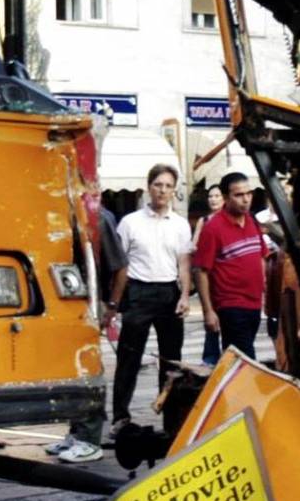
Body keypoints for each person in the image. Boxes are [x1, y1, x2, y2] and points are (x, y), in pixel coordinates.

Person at [106, 164, 191, 439]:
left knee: (171, 363)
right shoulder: (130, 222)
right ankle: (120, 417)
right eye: (158, 185)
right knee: (128, 359)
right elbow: (119, 263)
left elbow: (184, 264)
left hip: (168, 293)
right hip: (138, 292)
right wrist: (114, 302)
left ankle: (170, 418)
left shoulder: (180, 225)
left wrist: (184, 296)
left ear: (173, 190)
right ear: (149, 187)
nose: (162, 191)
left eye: (168, 186)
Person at [44, 201, 129, 464]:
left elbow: (120, 268)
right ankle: (77, 432)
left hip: (89, 305)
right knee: (71, 370)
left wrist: (111, 306)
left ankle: (90, 438)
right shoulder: (58, 215)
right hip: (68, 306)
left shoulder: (97, 219)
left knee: (89, 368)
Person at [192, 171, 269, 361]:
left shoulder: (252, 221)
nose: (246, 200)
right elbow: (201, 271)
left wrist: (264, 291)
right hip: (230, 304)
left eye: (248, 194)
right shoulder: (213, 228)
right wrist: (208, 311)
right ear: (226, 198)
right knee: (246, 362)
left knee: (235, 363)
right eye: (239, 195)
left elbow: (261, 256)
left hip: (254, 304)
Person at [192, 184, 224, 366]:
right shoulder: (204, 221)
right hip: (208, 275)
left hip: (224, 275)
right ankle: (210, 357)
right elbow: (194, 245)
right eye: (211, 196)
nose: (213, 199)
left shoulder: (229, 218)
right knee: (210, 316)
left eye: (217, 196)